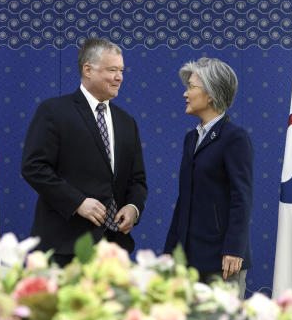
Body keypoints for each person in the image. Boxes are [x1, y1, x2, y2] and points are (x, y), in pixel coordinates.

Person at [21, 38, 148, 265]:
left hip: (112, 251)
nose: (119, 77)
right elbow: (34, 167)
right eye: (112, 70)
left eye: (121, 70)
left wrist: (133, 207)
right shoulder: (54, 111)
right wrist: (77, 202)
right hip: (62, 248)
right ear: (88, 70)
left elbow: (137, 179)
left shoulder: (127, 122)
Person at [164, 57, 253, 296]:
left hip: (221, 260)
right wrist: (170, 251)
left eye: (191, 87)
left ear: (211, 94)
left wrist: (235, 249)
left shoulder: (234, 138)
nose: (185, 94)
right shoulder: (190, 139)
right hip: (187, 261)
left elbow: (241, 198)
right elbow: (184, 200)